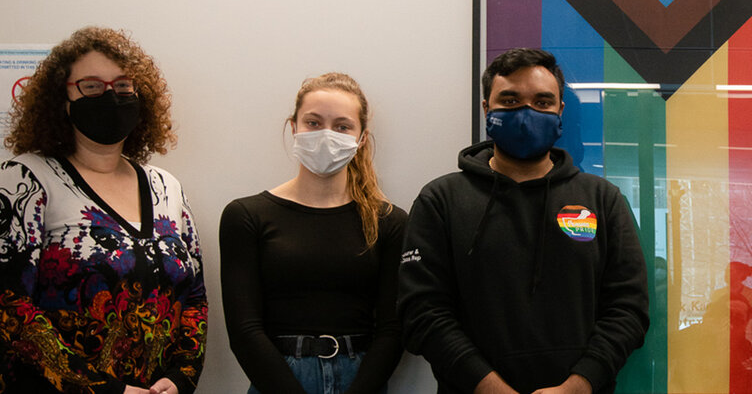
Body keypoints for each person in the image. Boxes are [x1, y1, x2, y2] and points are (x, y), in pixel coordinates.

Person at [397, 48, 649, 394]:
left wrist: (579, 385)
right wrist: (488, 387)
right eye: (510, 100)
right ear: (487, 108)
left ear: (560, 111)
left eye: (543, 102)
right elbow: (422, 313)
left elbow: (628, 310)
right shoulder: (440, 201)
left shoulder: (603, 200)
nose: (527, 113)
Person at [0, 27, 206, 393]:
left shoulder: (166, 187)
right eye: (92, 86)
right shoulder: (26, 179)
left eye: (123, 86)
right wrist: (104, 389)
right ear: (61, 98)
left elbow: (194, 297)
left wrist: (180, 378)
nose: (111, 96)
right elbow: (9, 306)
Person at [219, 72, 408, 394]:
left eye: (342, 126)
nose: (326, 135)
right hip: (279, 377)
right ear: (294, 127)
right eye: (313, 122)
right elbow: (244, 329)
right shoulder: (246, 216)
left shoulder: (390, 221)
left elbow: (393, 329)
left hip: (361, 377)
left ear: (361, 138)